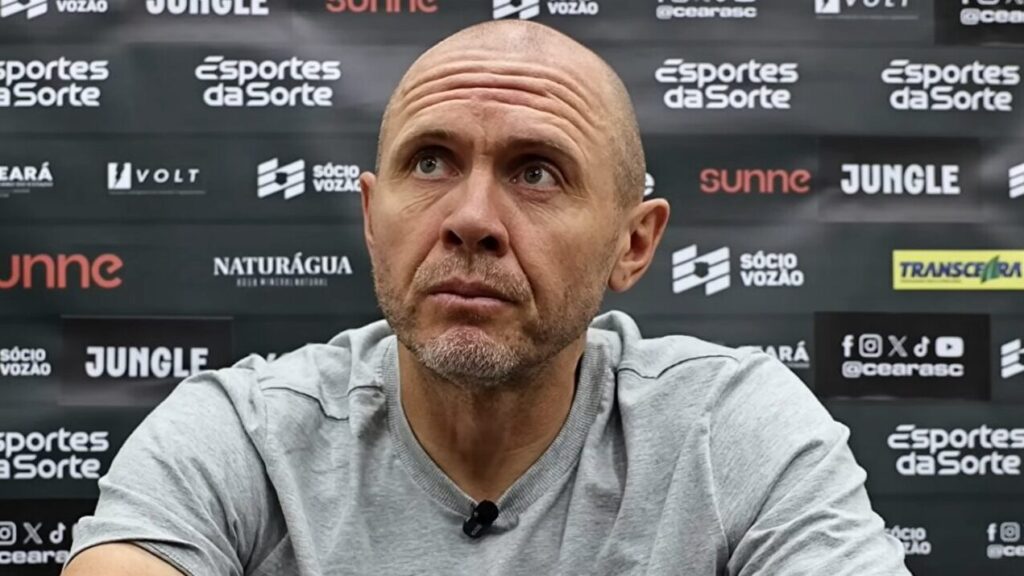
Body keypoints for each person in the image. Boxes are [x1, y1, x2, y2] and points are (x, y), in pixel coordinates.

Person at [63, 19, 910, 576]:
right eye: (429, 162)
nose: (470, 219)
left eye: (537, 173)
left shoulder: (729, 428)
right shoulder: (243, 434)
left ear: (633, 244)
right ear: (372, 218)